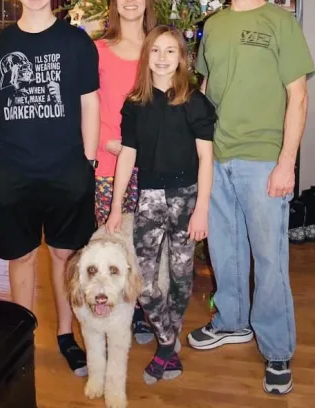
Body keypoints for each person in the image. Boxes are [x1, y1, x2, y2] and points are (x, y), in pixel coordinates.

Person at [187, 0, 315, 395]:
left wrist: (286, 163)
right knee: (225, 252)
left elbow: (297, 96)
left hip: (262, 160)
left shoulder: (281, 22)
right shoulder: (214, 25)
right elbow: (205, 90)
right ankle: (233, 321)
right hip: (216, 158)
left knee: (269, 259)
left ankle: (277, 349)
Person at [0, 0, 100, 377]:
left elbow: (90, 103)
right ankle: (22, 336)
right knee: (20, 257)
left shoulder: (75, 42)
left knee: (65, 256)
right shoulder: (2, 45)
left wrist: (87, 162)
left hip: (67, 171)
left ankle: (67, 335)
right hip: (16, 173)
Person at [106, 25, 216, 384]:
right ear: (147, 56)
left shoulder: (195, 103)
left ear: (182, 58)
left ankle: (167, 345)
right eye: (156, 50)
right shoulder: (135, 104)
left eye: (171, 51)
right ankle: (168, 343)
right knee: (146, 281)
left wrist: (201, 209)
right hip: (149, 200)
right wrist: (115, 207)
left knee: (182, 278)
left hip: (186, 200)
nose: (163, 58)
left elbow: (206, 159)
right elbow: (127, 156)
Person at [94, 0, 157, 344]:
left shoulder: (158, 49)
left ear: (146, 0)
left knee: (146, 243)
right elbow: (86, 105)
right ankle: (115, 310)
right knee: (113, 243)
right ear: (114, 2)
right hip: (107, 164)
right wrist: (109, 142)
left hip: (150, 166)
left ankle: (142, 312)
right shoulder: (98, 50)